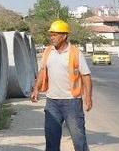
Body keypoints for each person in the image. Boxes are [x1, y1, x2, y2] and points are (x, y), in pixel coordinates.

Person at [30, 19, 93, 151]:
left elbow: (86, 76)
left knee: (79, 140)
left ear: (64, 36)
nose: (51, 37)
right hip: (52, 102)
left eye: (55, 34)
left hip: (72, 103)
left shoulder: (75, 53)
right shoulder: (48, 51)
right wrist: (36, 89)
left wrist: (88, 97)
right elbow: (42, 71)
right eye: (51, 34)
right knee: (51, 140)